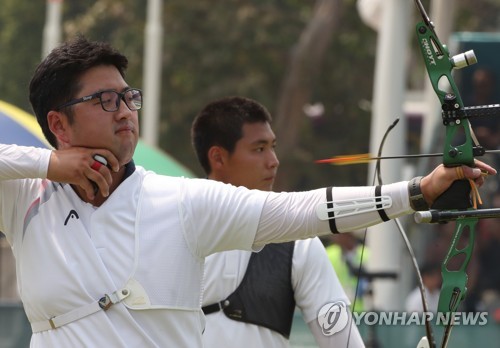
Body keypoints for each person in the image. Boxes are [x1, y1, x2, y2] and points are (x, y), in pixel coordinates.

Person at [0, 36, 494, 347]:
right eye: (105, 101)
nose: (126, 110)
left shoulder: (182, 201)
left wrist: (418, 191)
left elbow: (301, 210)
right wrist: (48, 163)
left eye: (128, 97)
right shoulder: (25, 198)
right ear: (59, 123)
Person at [191, 96, 364, 347]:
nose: (274, 161)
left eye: (273, 147)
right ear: (218, 158)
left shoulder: (299, 244)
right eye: (259, 149)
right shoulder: (171, 228)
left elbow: (343, 341)